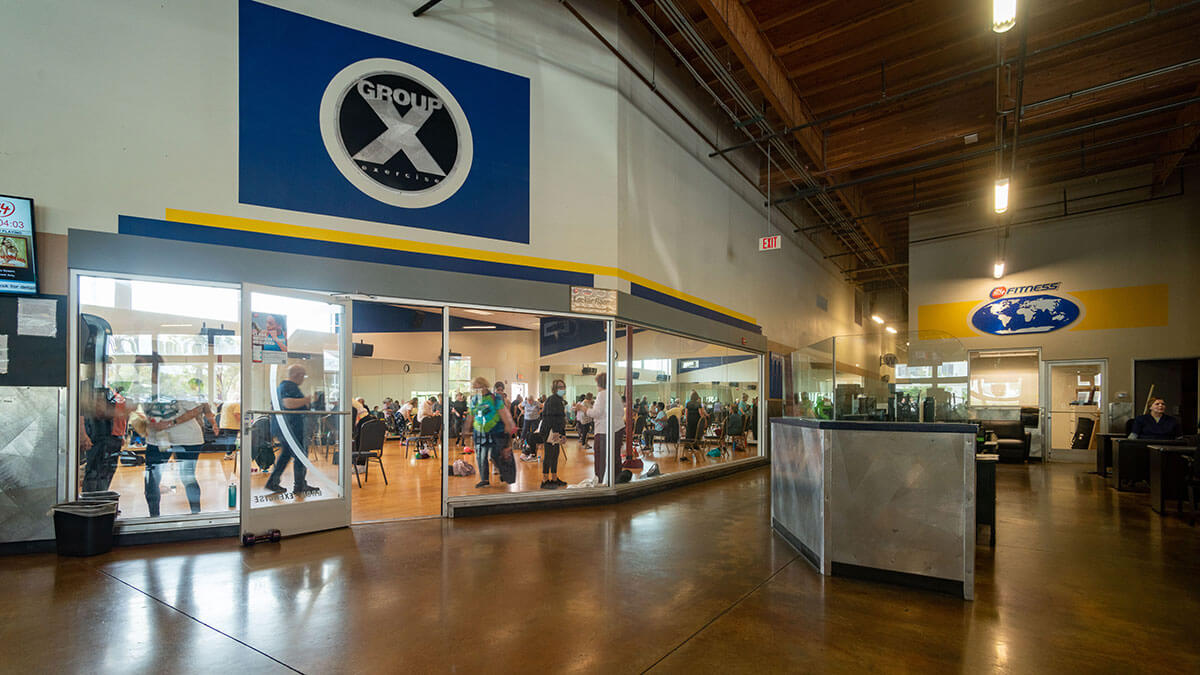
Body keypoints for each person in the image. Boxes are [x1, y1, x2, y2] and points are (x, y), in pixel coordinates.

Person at [143, 388, 213, 516]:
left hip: (187, 438)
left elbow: (197, 409)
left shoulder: (176, 388)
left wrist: (170, 423)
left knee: (187, 476)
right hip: (158, 438)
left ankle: (196, 515)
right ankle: (154, 517)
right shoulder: (145, 390)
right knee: (151, 479)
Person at [265, 364, 314, 495]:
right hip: (290, 427)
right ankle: (299, 485)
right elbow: (288, 403)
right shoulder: (288, 386)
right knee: (300, 455)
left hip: (286, 427)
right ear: (296, 375)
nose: (303, 379)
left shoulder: (283, 387)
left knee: (286, 455)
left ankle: (274, 482)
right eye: (302, 376)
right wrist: (307, 400)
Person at [464, 376, 518, 488]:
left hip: (495, 431)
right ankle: (484, 480)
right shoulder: (474, 399)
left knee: (496, 455)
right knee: (480, 456)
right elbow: (471, 415)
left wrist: (508, 426)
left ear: (484, 386)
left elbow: (503, 413)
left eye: (477, 387)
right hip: (480, 432)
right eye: (474, 388)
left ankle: (504, 472)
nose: (476, 390)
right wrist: (466, 428)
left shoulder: (495, 398)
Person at [80, 384, 129, 493]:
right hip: (100, 436)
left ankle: (101, 496)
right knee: (94, 471)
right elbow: (84, 412)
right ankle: (90, 499)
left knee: (107, 471)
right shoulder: (96, 391)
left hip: (114, 437)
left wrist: (121, 434)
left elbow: (120, 416)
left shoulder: (111, 393)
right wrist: (83, 434)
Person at [591, 373, 625, 484]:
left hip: (603, 431)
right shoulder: (616, 394)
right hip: (618, 429)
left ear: (599, 383)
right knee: (616, 456)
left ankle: (600, 481)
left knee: (600, 458)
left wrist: (584, 409)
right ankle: (617, 480)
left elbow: (596, 413)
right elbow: (621, 412)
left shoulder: (601, 394)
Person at [538, 380, 569, 489]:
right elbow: (551, 417)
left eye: (563, 387)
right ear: (554, 388)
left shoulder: (560, 400)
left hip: (555, 430)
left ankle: (554, 478)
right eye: (560, 387)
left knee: (555, 454)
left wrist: (563, 433)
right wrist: (556, 432)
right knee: (549, 455)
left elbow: (561, 419)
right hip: (549, 430)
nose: (562, 389)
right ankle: (545, 480)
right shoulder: (552, 399)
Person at [684, 391, 707, 455]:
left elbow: (686, 413)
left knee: (689, 432)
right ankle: (695, 445)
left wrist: (686, 421)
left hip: (689, 419)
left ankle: (689, 446)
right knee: (696, 432)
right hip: (696, 420)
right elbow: (700, 413)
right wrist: (704, 420)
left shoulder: (688, 403)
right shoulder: (698, 404)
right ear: (696, 397)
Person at [520, 393, 542, 461]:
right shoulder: (525, 402)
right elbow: (519, 406)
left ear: (533, 400)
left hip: (535, 419)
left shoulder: (536, 403)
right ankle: (524, 445)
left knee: (533, 433)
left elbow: (543, 406)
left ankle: (532, 452)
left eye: (531, 400)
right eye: (528, 400)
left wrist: (539, 412)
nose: (529, 402)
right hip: (527, 418)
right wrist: (522, 410)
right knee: (525, 432)